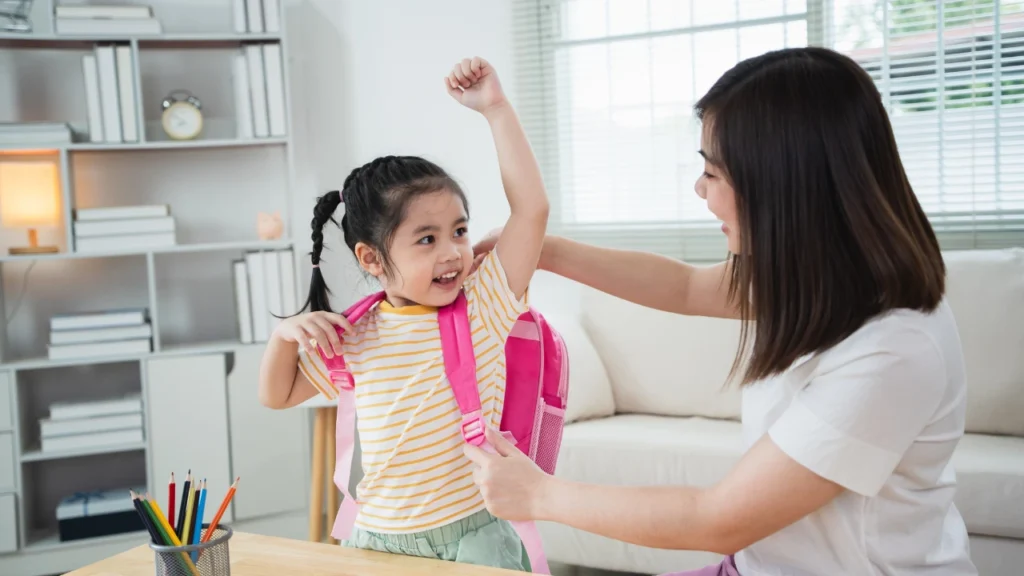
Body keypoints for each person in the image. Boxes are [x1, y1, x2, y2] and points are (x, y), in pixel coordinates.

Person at [465, 47, 978, 575]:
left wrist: (540, 495)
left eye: (713, 172)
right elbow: (684, 287)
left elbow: (719, 519)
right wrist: (544, 250)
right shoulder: (822, 279)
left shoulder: (893, 348)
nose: (700, 189)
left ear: (782, 183)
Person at [257, 56, 548, 572]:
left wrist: (496, 110)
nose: (453, 253)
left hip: (471, 538)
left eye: (459, 231)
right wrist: (283, 336)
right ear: (371, 258)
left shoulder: (486, 303)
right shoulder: (356, 335)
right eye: (427, 239)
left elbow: (531, 210)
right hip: (377, 541)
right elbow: (276, 396)